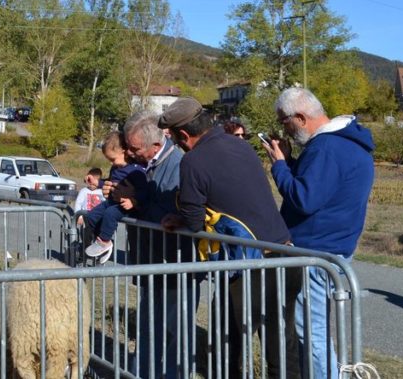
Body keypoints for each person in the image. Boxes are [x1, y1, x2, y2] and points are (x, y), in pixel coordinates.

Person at [159, 97, 301, 379]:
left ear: (183, 135)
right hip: (286, 254)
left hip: (249, 267)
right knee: (282, 344)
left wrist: (181, 217)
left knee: (225, 342)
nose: (177, 145)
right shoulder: (240, 145)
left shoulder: (193, 162)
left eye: (175, 139)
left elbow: (196, 221)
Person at [262, 87, 375, 379]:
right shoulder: (348, 142)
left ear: (299, 117)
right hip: (334, 247)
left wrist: (278, 166)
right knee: (318, 328)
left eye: (283, 122)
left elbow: (304, 198)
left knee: (311, 331)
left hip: (316, 252)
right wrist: (290, 163)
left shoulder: (327, 147)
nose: (282, 128)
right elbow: (324, 187)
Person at [121, 109, 188, 379]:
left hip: (171, 261)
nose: (130, 152)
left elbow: (170, 211)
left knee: (173, 328)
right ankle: (143, 373)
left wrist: (136, 202)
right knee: (149, 325)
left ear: (156, 145)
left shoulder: (178, 163)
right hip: (152, 259)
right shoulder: (149, 164)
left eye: (135, 148)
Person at [83, 132, 147, 262]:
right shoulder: (115, 168)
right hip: (112, 200)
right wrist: (97, 183)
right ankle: (100, 242)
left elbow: (144, 191)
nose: (112, 163)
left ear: (124, 152)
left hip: (125, 205)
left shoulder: (136, 170)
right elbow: (110, 182)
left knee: (110, 213)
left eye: (113, 159)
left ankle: (104, 241)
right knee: (91, 216)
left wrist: (133, 202)